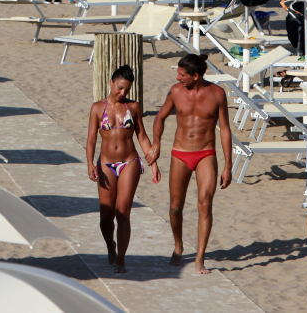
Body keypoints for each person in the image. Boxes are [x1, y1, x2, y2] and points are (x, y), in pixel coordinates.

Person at [147, 54, 231, 274]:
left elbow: (224, 130)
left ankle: (200, 258)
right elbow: (160, 118)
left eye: (182, 74)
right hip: (180, 154)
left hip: (206, 154)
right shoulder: (175, 91)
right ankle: (178, 245)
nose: (178, 77)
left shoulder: (217, 94)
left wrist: (228, 165)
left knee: (205, 202)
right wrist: (157, 143)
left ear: (195, 75)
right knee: (176, 207)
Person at [86, 65, 161, 273]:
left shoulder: (133, 107)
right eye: (120, 88)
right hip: (105, 164)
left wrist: (152, 163)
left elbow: (142, 137)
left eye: (127, 90)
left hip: (129, 162)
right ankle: (111, 245)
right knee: (105, 217)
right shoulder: (97, 108)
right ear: (111, 83)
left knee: (123, 213)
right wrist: (89, 163)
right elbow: (91, 139)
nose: (123, 93)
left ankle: (121, 258)